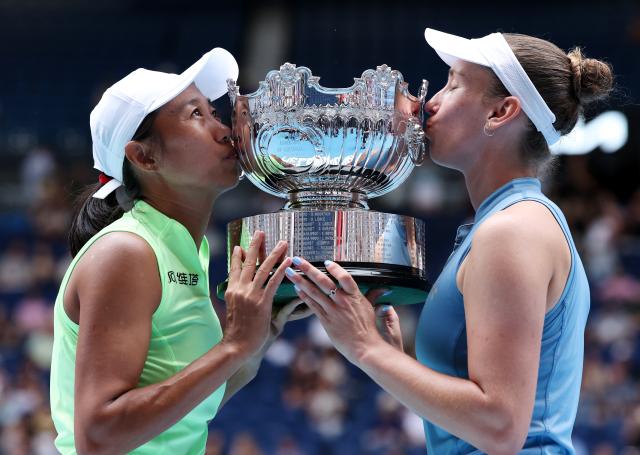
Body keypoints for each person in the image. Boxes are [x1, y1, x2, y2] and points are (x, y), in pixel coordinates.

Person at [284, 28, 613, 454]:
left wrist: (366, 348)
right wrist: (392, 359)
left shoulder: (511, 231)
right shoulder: (509, 222)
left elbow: (500, 428)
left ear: (501, 112)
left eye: (453, 83)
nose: (432, 102)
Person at [50, 48, 306, 454]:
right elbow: (97, 437)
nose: (224, 130)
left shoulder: (181, 247)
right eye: (195, 115)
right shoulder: (127, 251)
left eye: (213, 113)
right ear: (144, 156)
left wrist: (259, 338)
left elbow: (187, 410)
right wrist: (233, 344)